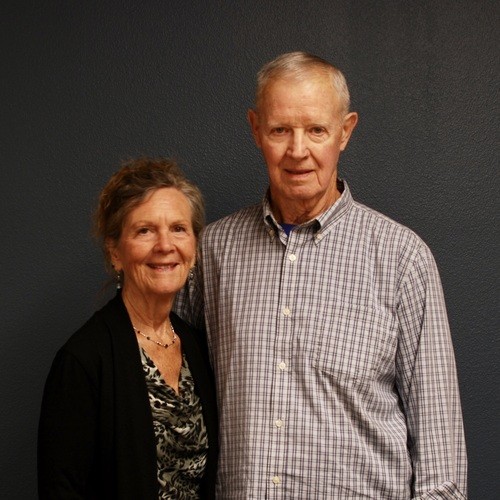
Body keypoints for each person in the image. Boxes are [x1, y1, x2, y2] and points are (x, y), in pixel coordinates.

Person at [176, 52, 467, 498]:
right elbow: (165, 394)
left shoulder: (402, 259)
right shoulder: (212, 252)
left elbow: (440, 456)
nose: (298, 151)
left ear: (345, 132)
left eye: (316, 130)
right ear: (256, 129)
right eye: (280, 130)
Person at [38, 158, 218, 499]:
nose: (165, 245)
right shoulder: (83, 360)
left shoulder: (195, 344)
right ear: (115, 252)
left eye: (178, 228)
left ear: (194, 247)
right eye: (145, 230)